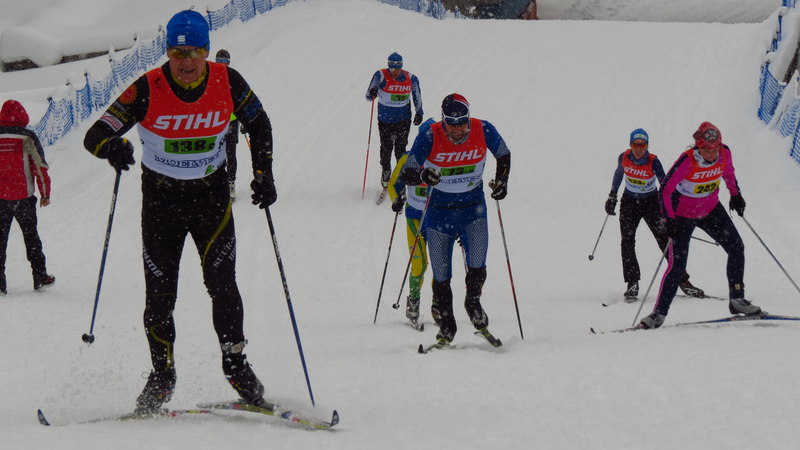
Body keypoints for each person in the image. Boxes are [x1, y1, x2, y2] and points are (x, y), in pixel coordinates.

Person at [82, 10, 277, 413]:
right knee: (159, 296)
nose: (186, 62)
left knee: (223, 285)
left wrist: (263, 174)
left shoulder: (228, 81)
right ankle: (162, 375)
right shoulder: (146, 88)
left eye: (195, 52)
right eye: (177, 52)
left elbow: (259, 124)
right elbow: (95, 134)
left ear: (207, 50)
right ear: (167, 51)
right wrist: (111, 147)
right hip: (162, 204)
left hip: (211, 201)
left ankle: (236, 365)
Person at [400, 94, 510, 348]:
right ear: (443, 120)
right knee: (441, 274)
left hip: (473, 209)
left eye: (462, 123)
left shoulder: (483, 129)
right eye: (452, 124)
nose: (458, 129)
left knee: (478, 264)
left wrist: (502, 182)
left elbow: (503, 154)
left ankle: (473, 303)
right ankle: (447, 326)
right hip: (439, 212)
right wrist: (423, 175)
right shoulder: (430, 135)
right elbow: (408, 171)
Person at [639, 122, 761, 329]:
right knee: (677, 265)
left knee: (736, 247)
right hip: (683, 214)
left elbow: (729, 173)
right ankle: (658, 314)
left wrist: (735, 195)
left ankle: (737, 299)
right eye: (706, 149)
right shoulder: (687, 161)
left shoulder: (724, 154)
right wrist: (669, 219)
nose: (711, 154)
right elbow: (665, 191)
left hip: (710, 209)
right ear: (698, 146)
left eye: (715, 149)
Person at [605, 128, 704, 301]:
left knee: (665, 240)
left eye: (642, 145)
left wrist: (671, 209)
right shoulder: (624, 158)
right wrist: (612, 195)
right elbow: (619, 174)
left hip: (651, 202)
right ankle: (632, 283)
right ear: (630, 145)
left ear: (647, 145)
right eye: (635, 145)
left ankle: (683, 281)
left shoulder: (653, 161)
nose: (638, 148)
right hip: (629, 202)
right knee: (627, 241)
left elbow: (665, 185)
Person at [0, 99, 56, 295]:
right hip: (23, 198)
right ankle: (40, 277)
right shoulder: (27, 137)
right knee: (31, 238)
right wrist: (45, 194)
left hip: (0, 199)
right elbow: (40, 168)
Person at [387, 123, 433, 327]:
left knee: (441, 266)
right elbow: (393, 184)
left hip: (438, 219)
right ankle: (413, 303)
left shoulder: (442, 159)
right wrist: (396, 199)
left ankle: (439, 306)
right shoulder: (408, 159)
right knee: (419, 264)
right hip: (414, 218)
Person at [365, 52, 423, 188]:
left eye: (398, 68)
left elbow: (417, 95)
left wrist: (419, 112)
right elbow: (368, 95)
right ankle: (386, 170)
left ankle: (399, 174)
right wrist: (373, 92)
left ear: (401, 66)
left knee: (400, 149)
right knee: (386, 148)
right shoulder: (380, 75)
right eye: (392, 68)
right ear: (388, 66)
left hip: (403, 119)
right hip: (385, 120)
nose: (395, 72)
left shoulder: (411, 78)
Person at [215, 49, 241, 199]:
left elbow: (241, 101)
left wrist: (244, 120)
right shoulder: (210, 77)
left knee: (231, 153)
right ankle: (218, 183)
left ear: (228, 62)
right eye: (219, 61)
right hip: (216, 123)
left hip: (231, 121)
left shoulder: (233, 78)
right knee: (216, 153)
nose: (221, 64)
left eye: (224, 61)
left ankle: (231, 183)